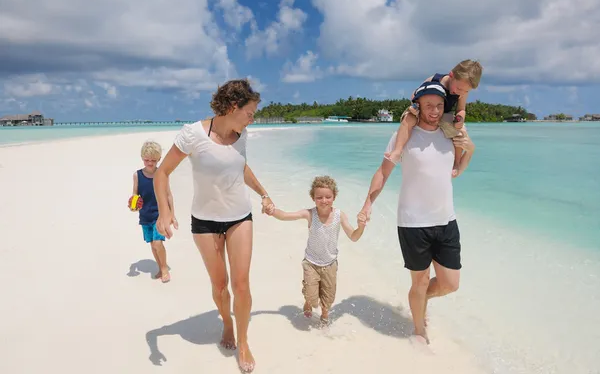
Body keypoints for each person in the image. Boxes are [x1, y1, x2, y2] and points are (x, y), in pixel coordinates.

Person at [153, 79, 273, 373]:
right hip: (204, 222)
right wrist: (165, 212)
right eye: (250, 112)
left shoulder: (241, 134)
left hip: (239, 217)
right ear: (233, 107)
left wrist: (264, 193)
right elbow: (162, 172)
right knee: (220, 286)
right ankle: (227, 322)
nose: (252, 118)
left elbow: (241, 166)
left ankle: (242, 342)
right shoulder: (193, 134)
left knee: (241, 283)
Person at [359, 80, 476, 345]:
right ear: (418, 107)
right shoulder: (405, 134)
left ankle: (418, 301)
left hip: (447, 219)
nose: (434, 111)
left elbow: (457, 169)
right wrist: (368, 204)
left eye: (438, 105)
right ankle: (418, 331)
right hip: (413, 223)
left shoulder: (451, 133)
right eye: (428, 106)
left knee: (450, 284)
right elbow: (383, 171)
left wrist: (470, 148)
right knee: (420, 283)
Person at [266, 176, 367, 324]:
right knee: (312, 298)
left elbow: (353, 236)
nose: (324, 200)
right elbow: (286, 216)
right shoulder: (309, 214)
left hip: (330, 264)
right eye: (319, 197)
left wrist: (361, 226)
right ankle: (308, 301)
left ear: (334, 197)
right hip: (311, 263)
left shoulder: (339, 215)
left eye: (328, 197)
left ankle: (325, 314)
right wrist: (273, 211)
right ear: (313, 198)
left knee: (329, 297)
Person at [385, 59, 482, 177]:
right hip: (424, 110)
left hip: (445, 114)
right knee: (409, 118)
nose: (459, 92)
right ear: (451, 75)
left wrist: (459, 119)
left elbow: (461, 109)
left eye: (465, 91)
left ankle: (456, 163)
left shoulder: (462, 91)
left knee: (460, 132)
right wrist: (415, 108)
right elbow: (415, 95)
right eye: (459, 88)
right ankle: (398, 150)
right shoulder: (435, 79)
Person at [129, 140, 173, 283]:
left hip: (160, 215)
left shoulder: (162, 174)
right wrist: (133, 206)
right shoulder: (137, 175)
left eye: (153, 160)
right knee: (153, 245)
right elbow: (134, 196)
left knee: (157, 243)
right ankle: (160, 268)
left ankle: (165, 268)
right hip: (145, 215)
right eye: (147, 160)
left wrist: (172, 215)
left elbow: (168, 195)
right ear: (142, 158)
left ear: (159, 159)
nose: (149, 163)